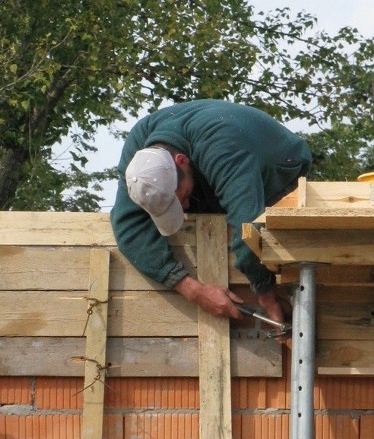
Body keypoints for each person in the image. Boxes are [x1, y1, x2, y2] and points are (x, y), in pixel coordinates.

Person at [110, 99, 312, 322]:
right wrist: (191, 289)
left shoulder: (222, 149)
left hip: (278, 165)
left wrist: (266, 294)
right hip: (214, 165)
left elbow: (247, 230)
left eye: (183, 197)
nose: (186, 208)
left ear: (181, 160)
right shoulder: (140, 155)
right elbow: (128, 226)